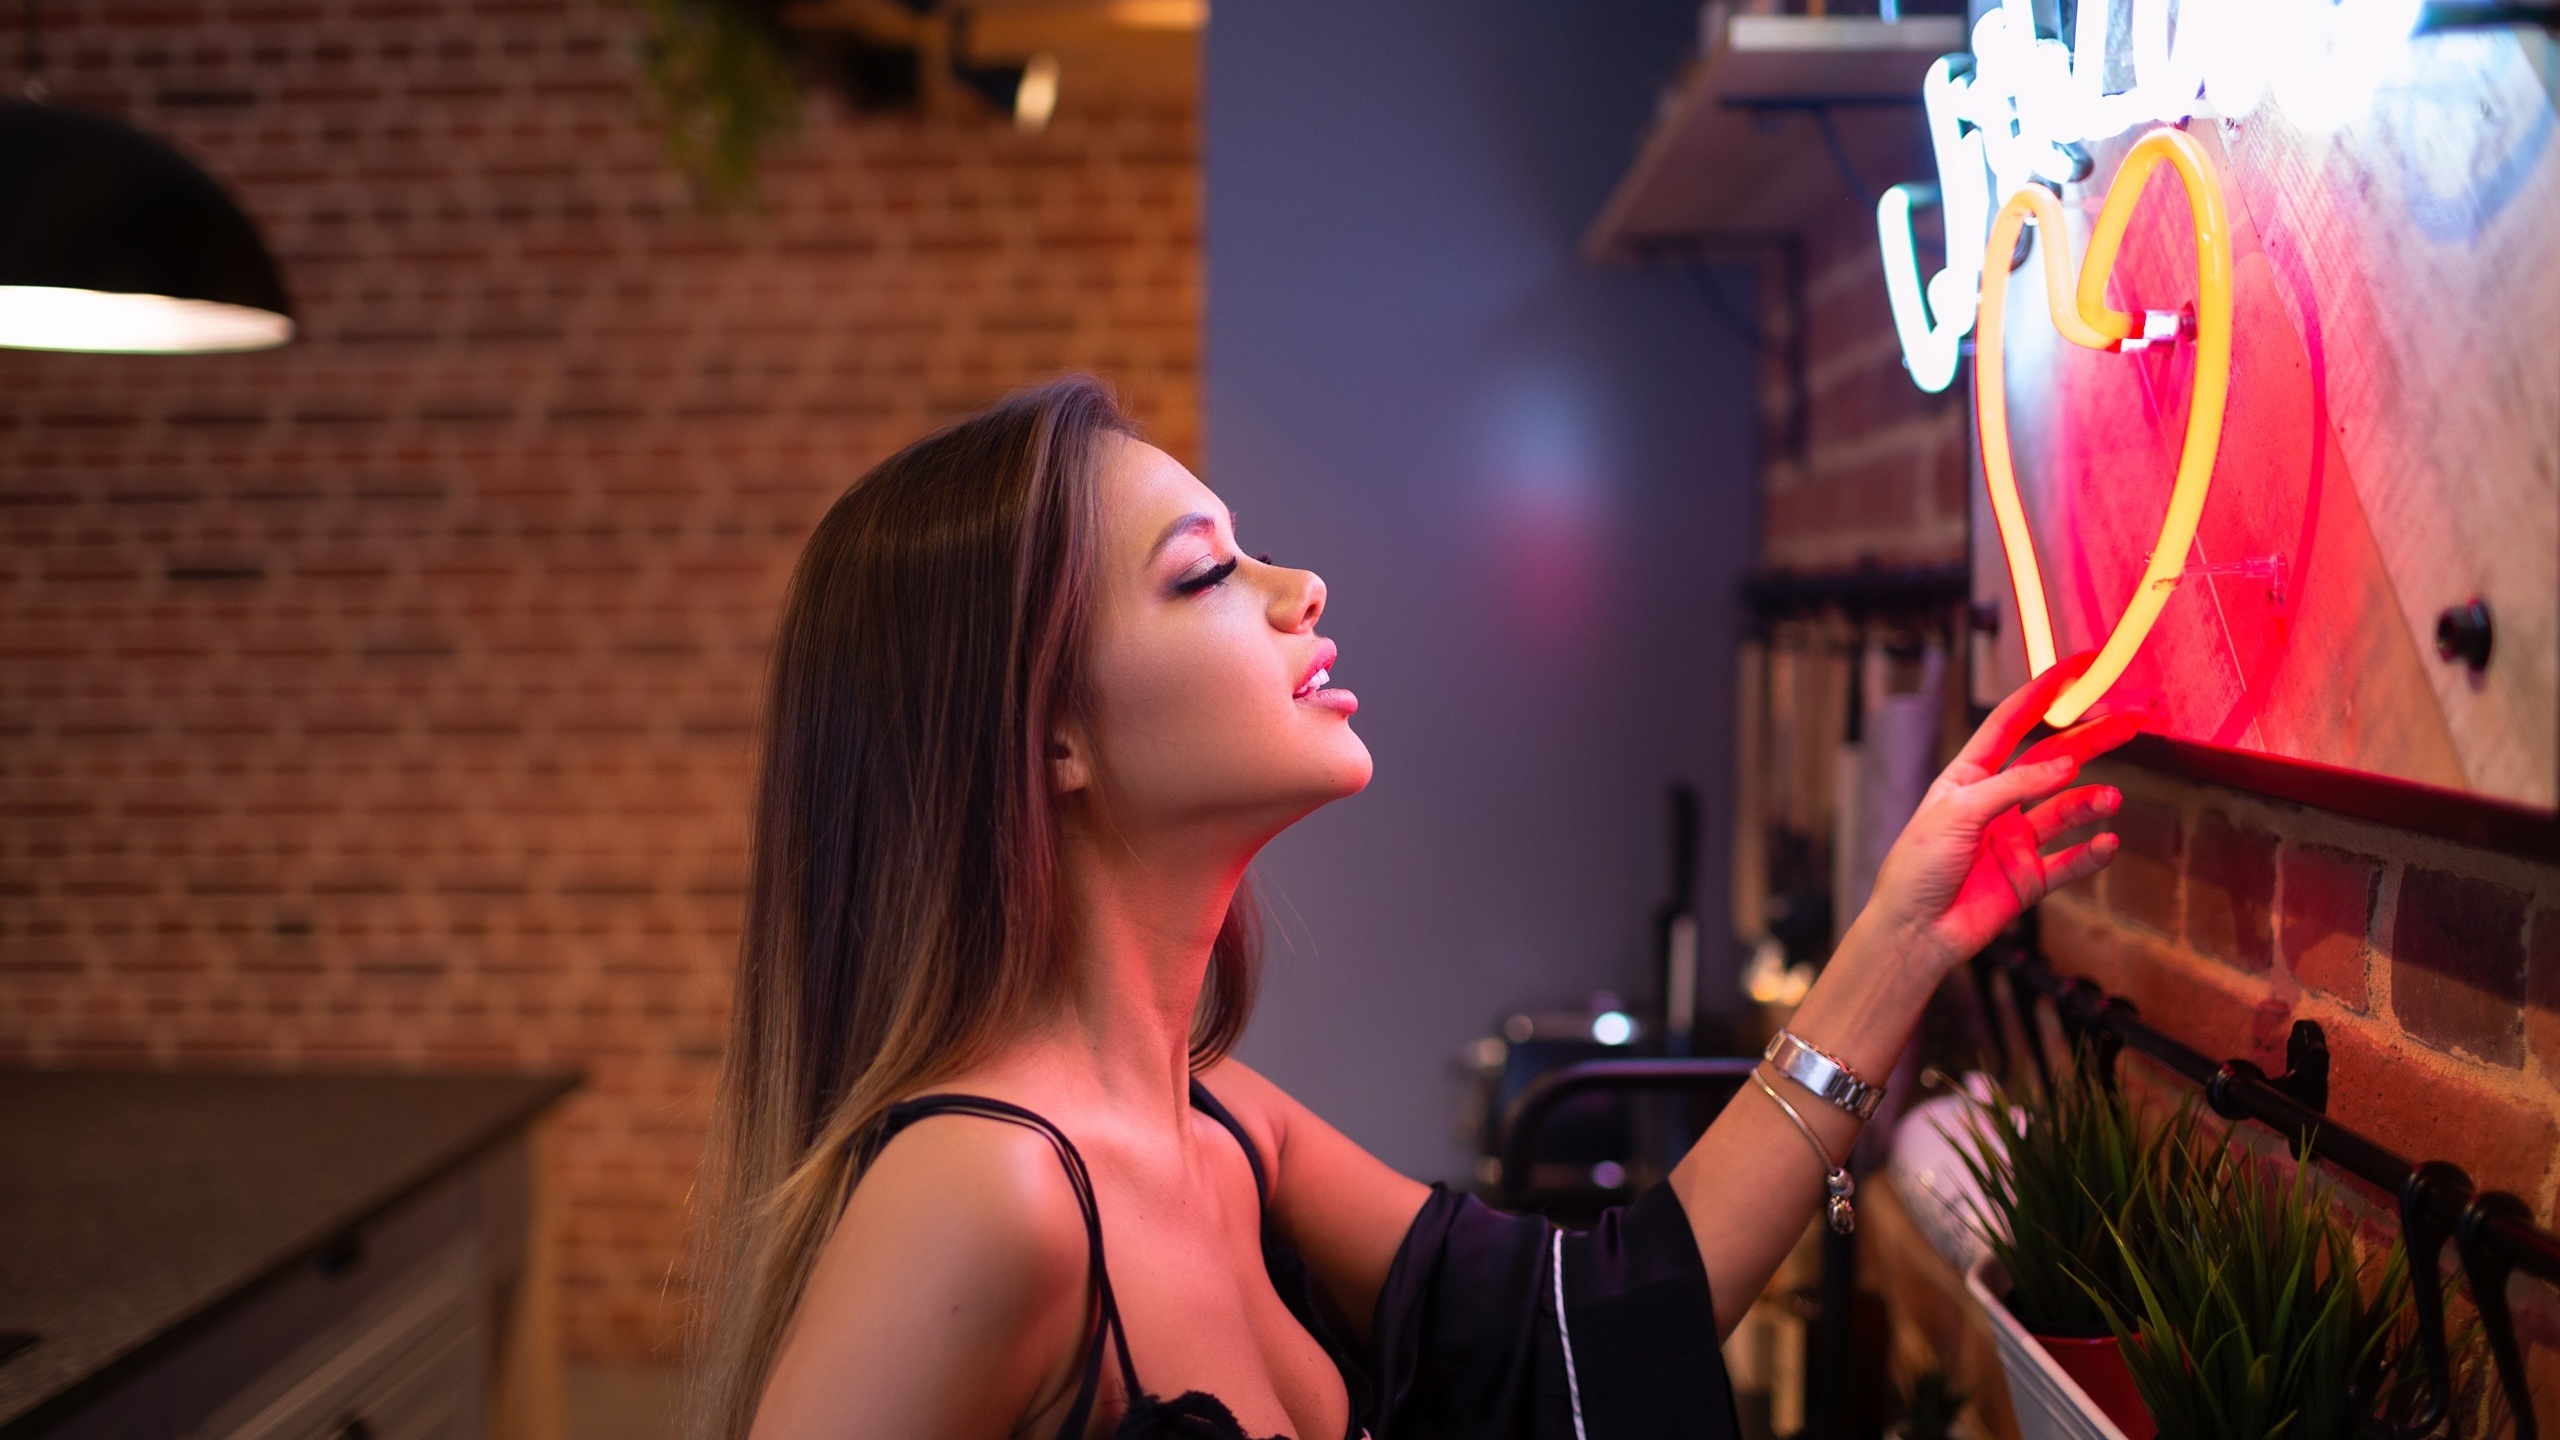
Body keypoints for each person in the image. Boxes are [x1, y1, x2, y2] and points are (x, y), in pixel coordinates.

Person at [689, 377, 2137, 1440]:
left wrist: (1905, 937)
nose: (1300, 586)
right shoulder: (987, 1196)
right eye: (1201, 573)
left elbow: (1591, 1328)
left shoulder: (1224, 1128)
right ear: (1045, 737)